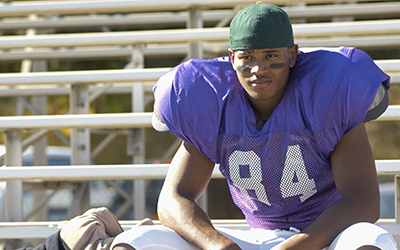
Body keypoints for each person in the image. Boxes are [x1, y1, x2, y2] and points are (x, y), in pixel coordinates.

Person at [112, 2, 397, 250]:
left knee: (371, 239)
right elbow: (172, 199)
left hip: (326, 237)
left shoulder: (329, 95)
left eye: (271, 56)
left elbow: (363, 201)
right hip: (256, 237)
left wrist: (296, 247)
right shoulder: (212, 104)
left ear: (292, 55)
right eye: (247, 57)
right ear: (232, 57)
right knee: (138, 240)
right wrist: (218, 245)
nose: (258, 69)